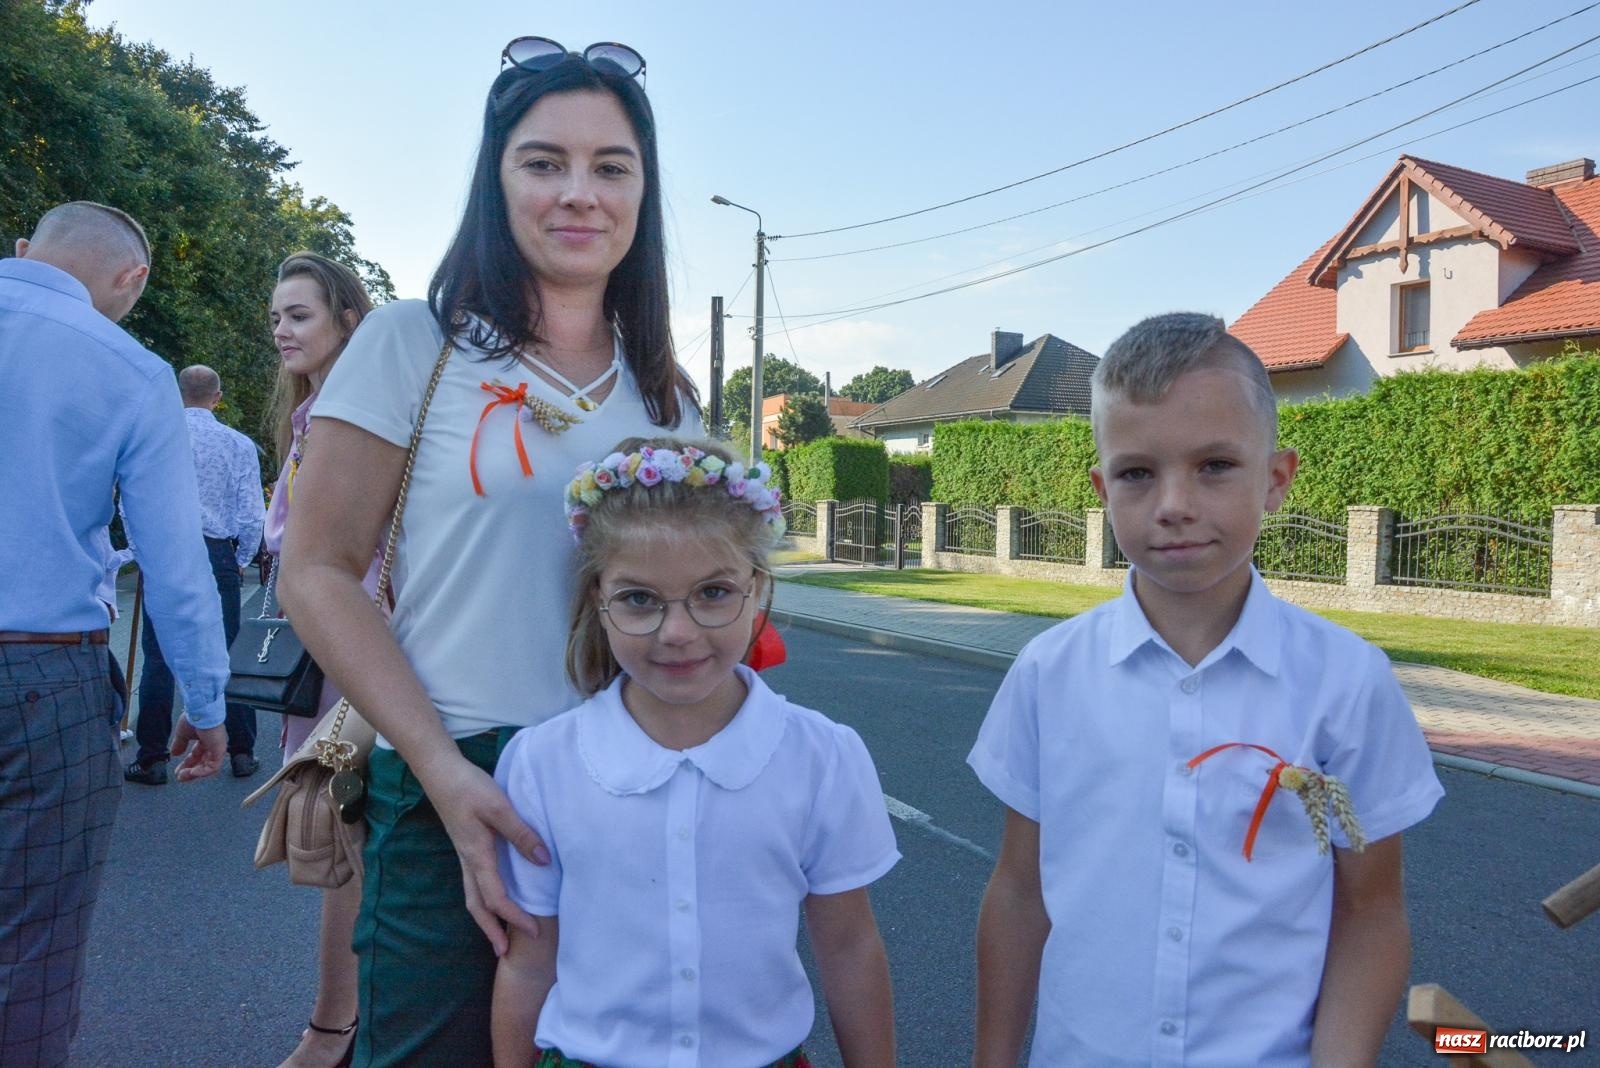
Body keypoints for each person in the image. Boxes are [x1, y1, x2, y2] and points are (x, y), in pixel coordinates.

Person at [278, 39, 703, 1065]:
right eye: (543, 161)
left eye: (612, 167)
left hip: (635, 789)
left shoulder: (670, 396)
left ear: (642, 193)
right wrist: (436, 771)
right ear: (495, 178)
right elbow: (317, 569)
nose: (579, 194)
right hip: (451, 776)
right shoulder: (408, 344)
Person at [968, 312, 1445, 1068]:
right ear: (1103, 487)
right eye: (1137, 473)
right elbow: (1020, 894)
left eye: (1215, 465)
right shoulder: (1046, 675)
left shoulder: (1346, 682)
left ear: (1276, 479)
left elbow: (1372, 910)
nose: (1174, 504)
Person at [491, 437, 898, 1068]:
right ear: (598, 598)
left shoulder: (823, 757)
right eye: (639, 599)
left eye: (712, 593)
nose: (677, 633)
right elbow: (530, 959)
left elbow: (848, 948)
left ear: (756, 588)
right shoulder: (542, 764)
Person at [0, 201, 228, 1068]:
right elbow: (174, 565)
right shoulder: (132, 372)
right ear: (131, 278)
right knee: (34, 950)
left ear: (26, 251)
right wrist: (205, 702)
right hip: (43, 677)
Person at [263, 250, 376, 1068]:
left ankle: (336, 1025)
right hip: (324, 651)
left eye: (298, 315)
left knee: (347, 838)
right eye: (275, 318)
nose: (280, 331)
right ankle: (343, 1019)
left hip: (356, 656)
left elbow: (349, 551)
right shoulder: (308, 417)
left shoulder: (358, 419)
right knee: (342, 838)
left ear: (349, 322)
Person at [125, 364, 266, 784]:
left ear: (176, 394)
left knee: (159, 655)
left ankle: (151, 757)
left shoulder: (156, 438)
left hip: (164, 548)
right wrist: (240, 556)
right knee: (227, 652)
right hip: (216, 550)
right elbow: (250, 513)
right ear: (217, 397)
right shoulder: (237, 444)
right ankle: (241, 751)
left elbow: (131, 502)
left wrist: (140, 548)